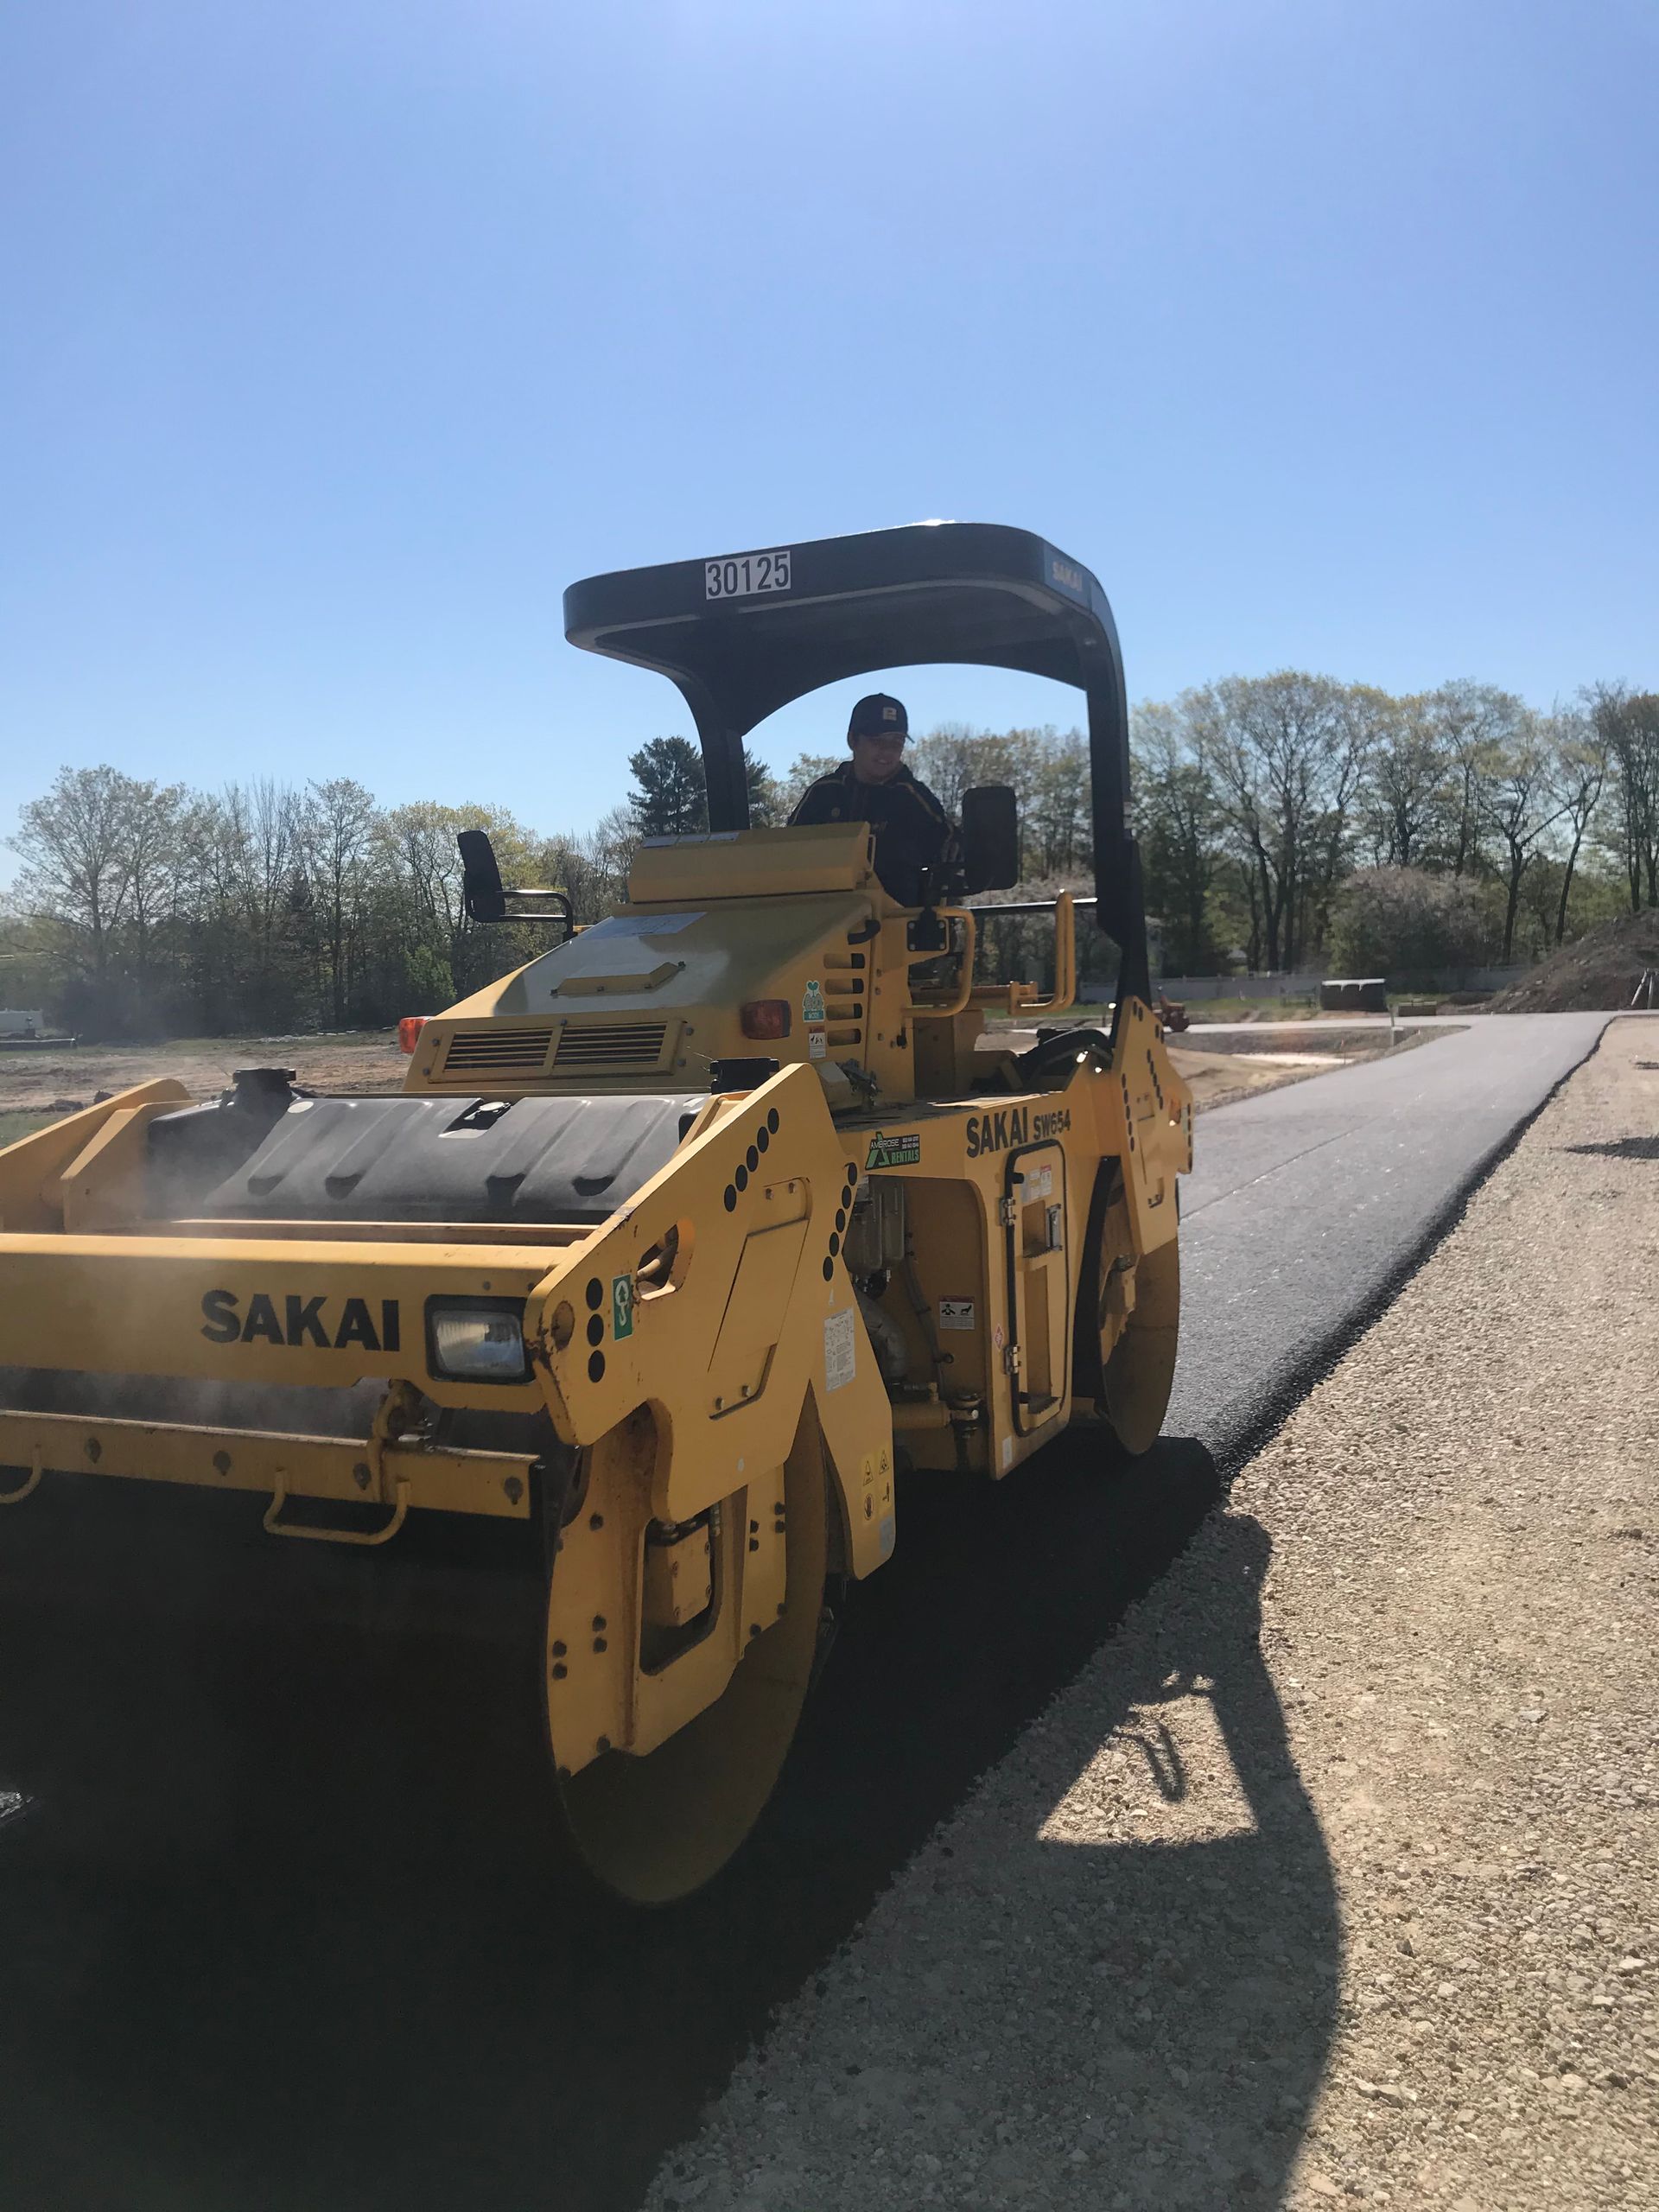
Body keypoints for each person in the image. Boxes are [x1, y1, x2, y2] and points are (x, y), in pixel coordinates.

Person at [788, 694, 957, 906]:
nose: (887, 751)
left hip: (897, 928)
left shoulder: (915, 800)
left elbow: (950, 863)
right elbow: (788, 857)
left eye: (896, 743)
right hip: (820, 920)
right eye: (877, 741)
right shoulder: (822, 794)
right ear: (852, 740)